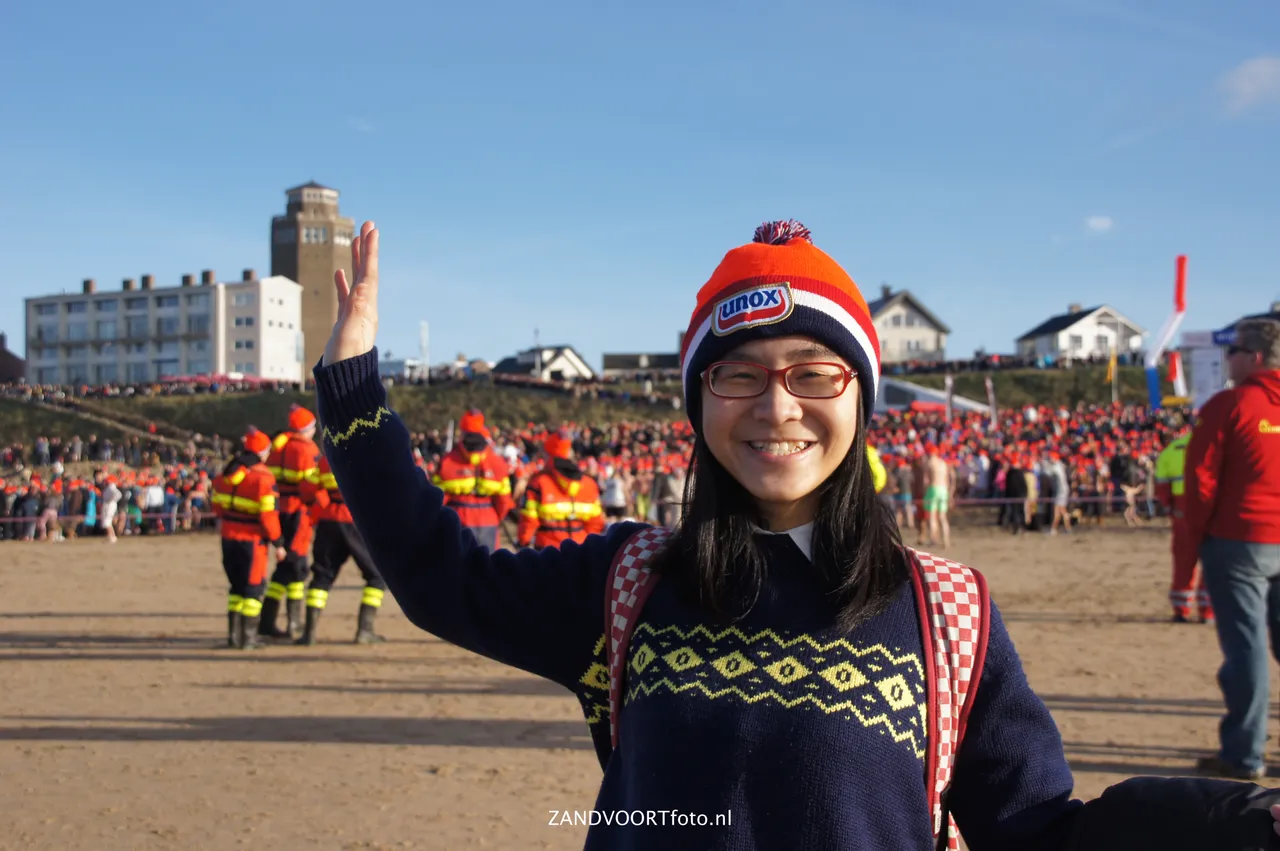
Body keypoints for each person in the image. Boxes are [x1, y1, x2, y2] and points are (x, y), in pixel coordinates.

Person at [311, 219, 1280, 849]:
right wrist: (355, 394)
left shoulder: (946, 610)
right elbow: (443, 579)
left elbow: (1031, 824)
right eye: (738, 373)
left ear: (859, 397)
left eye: (814, 371)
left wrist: (1227, 819)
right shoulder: (632, 577)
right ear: (698, 403)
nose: (776, 404)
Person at [1185, 317, 1280, 780]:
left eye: (1233, 352)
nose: (1228, 360)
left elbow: (1200, 482)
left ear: (1254, 357)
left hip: (1239, 538)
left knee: (1247, 650)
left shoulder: (1230, 404)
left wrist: (1194, 540)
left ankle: (1245, 755)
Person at [297, 452, 389, 645]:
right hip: (358, 521)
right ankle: (365, 630)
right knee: (376, 576)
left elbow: (307, 489)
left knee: (322, 576)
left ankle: (309, 633)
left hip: (329, 520)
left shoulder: (327, 458)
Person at [210, 428, 285, 650]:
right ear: (263, 452)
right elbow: (268, 516)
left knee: (236, 588)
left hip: (228, 537)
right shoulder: (263, 477)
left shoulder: (227, 473)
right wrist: (279, 543)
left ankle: (234, 637)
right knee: (253, 589)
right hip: (252, 540)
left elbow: (217, 505)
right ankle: (249, 638)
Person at [260, 405, 325, 639]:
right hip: (299, 510)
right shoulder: (307, 449)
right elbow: (310, 486)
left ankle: (269, 620)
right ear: (307, 429)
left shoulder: (277, 446)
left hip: (278, 509)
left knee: (286, 566)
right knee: (297, 566)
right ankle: (293, 623)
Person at [432, 408, 513, 551]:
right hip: (489, 520)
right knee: (487, 567)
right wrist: (495, 517)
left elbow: (437, 500)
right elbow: (504, 501)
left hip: (457, 520)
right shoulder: (497, 462)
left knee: (457, 568)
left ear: (462, 431)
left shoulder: (448, 461)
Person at [1155, 428, 1212, 623]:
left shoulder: (1170, 450)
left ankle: (1181, 610)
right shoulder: (1214, 447)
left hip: (1182, 514)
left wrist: (1171, 510)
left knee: (1183, 564)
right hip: (1210, 512)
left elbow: (1162, 487)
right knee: (1212, 564)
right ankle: (1208, 611)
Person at [516, 430, 604, 548]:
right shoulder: (589, 483)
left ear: (548, 454)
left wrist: (523, 542)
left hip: (547, 552)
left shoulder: (539, 482)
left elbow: (529, 520)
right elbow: (596, 523)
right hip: (580, 551)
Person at [922, 443, 953, 549]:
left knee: (932, 516)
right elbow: (948, 479)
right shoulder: (943, 463)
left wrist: (925, 492)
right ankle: (946, 541)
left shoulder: (930, 463)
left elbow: (926, 481)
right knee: (942, 517)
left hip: (933, 489)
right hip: (943, 490)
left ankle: (933, 539)